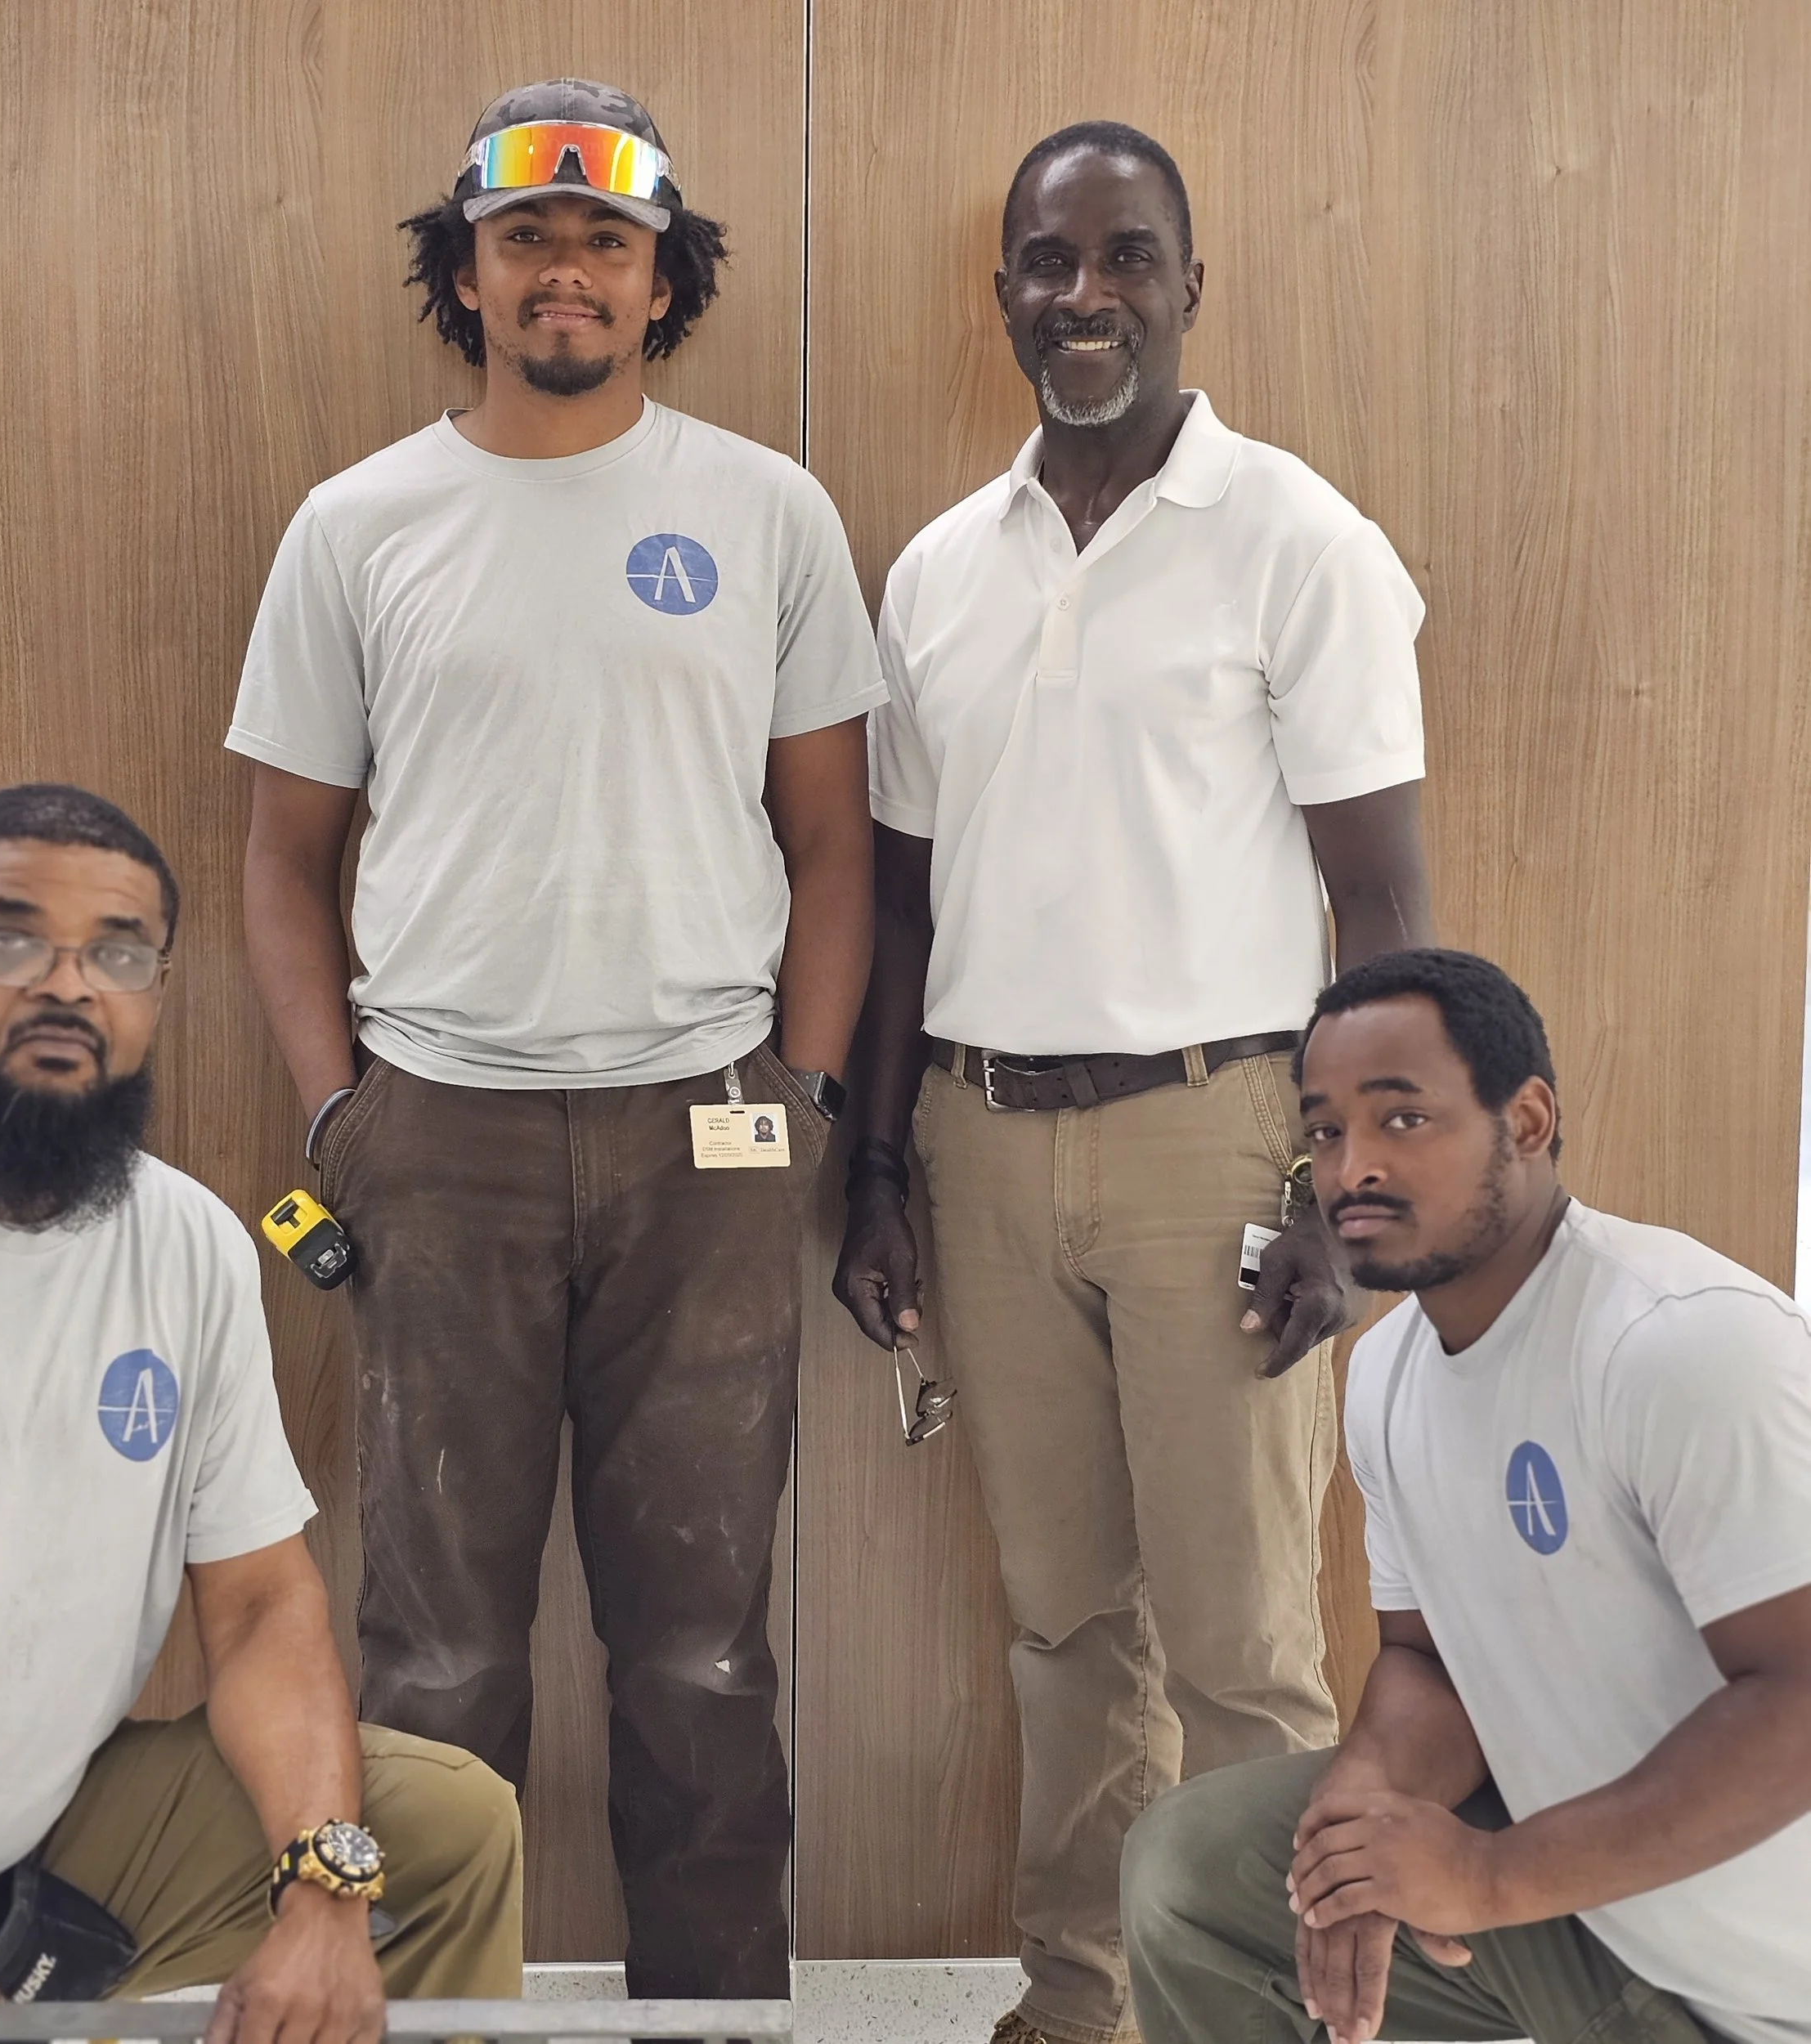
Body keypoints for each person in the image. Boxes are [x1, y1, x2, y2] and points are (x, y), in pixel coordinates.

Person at [227, 79, 882, 1999]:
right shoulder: (360, 526)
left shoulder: (763, 510)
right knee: (434, 1653)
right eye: (526, 236)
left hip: (714, 1135)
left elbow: (832, 843)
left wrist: (808, 1094)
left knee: (702, 1648)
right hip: (441, 1137)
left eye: (606, 237)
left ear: (661, 275)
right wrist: (340, 1117)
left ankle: (713, 2009)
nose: (568, 269)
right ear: (468, 271)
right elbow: (282, 860)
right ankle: (426, 2008)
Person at [832, 120, 1434, 2044]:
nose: (1080, 297)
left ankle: (1250, 2005)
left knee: (1247, 1645)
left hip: (1219, 1138)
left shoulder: (1297, 543)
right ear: (1000, 288)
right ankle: (1076, 1995)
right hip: (978, 1139)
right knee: (1062, 1628)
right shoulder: (937, 571)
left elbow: (1383, 899)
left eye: (1123, 258)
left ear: (1189, 283)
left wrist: (1351, 1192)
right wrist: (874, 1171)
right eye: (1044, 262)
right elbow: (901, 911)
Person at [0, 785, 522, 2044]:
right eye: (10, 940)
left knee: (440, 1830)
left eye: (118, 951)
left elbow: (262, 1607)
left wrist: (326, 1889)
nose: (69, 984)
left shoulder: (190, 1249)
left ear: (154, 996)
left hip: (19, 1843)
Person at [1120, 948, 1811, 2044]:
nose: (1354, 1169)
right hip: (1590, 1919)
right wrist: (1366, 1803)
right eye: (1327, 1130)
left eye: (1403, 1121)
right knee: (1201, 1867)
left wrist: (1489, 1877)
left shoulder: (1681, 1345)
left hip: (1754, 1989)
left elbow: (1800, 1702)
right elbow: (1427, 1659)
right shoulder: (1391, 1377)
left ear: (1527, 1121)